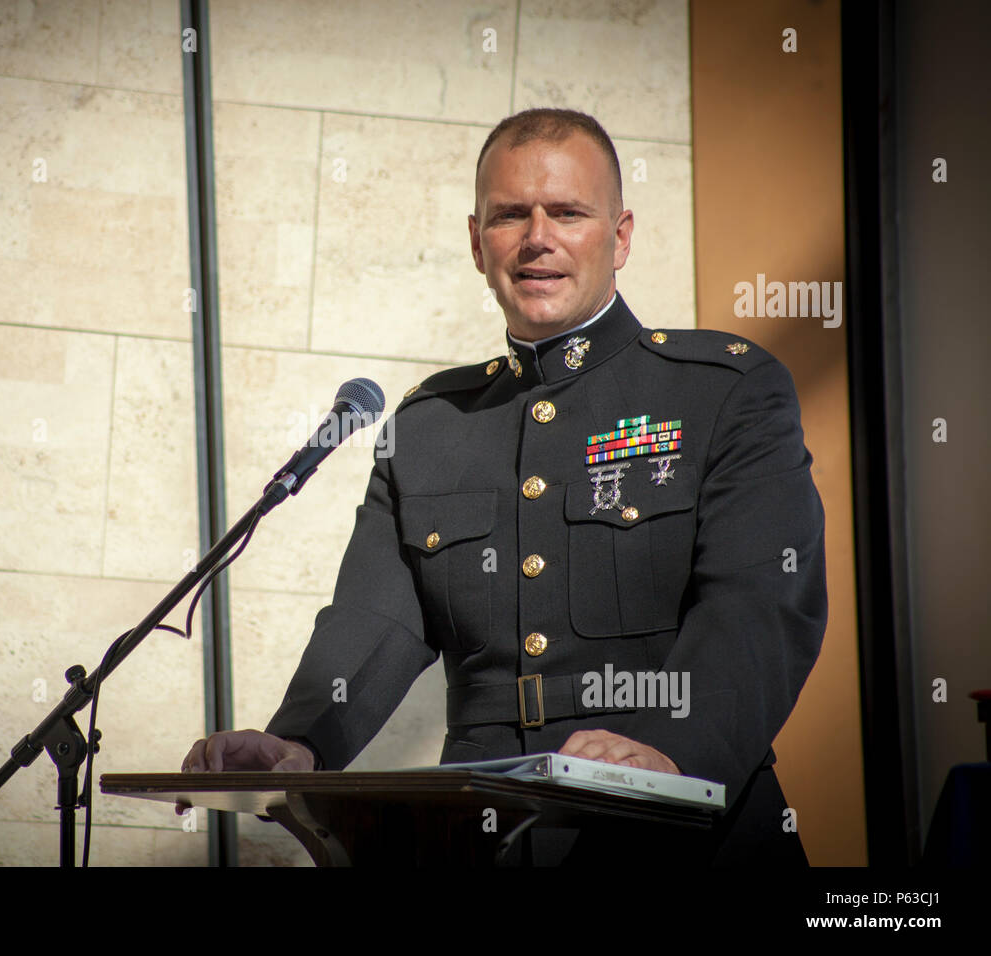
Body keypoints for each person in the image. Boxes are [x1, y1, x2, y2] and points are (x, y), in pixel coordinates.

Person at [180, 108, 827, 865]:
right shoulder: (429, 425)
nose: (538, 238)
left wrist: (672, 754)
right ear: (476, 241)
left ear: (619, 237)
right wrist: (300, 741)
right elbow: (374, 622)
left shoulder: (724, 390)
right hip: (483, 835)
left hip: (682, 832)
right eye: (510, 215)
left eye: (569, 213)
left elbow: (760, 605)